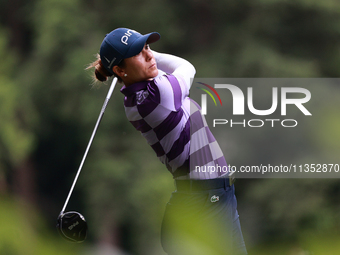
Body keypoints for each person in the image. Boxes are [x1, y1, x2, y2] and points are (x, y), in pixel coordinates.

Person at [88, 28, 247, 255]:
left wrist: (138, 54)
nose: (150, 56)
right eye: (138, 54)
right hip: (206, 200)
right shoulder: (156, 96)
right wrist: (150, 57)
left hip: (213, 196)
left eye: (147, 48)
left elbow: (157, 69)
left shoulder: (138, 96)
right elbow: (187, 67)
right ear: (119, 69)